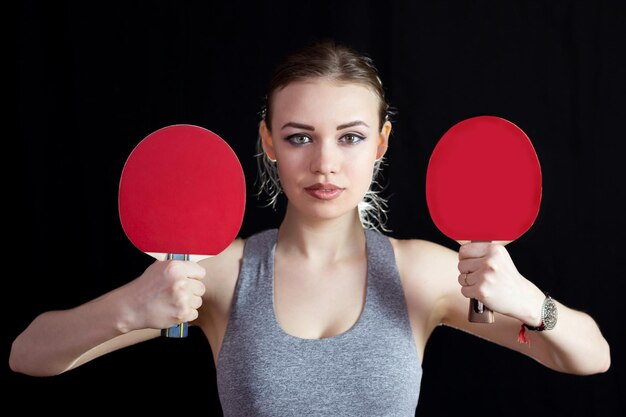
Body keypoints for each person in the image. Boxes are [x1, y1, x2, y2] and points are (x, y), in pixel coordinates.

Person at [10, 41, 610, 416]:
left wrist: (530, 302)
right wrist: (134, 307)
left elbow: (591, 359)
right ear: (269, 142)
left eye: (350, 137)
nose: (324, 163)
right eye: (300, 137)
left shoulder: (423, 273)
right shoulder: (219, 272)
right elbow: (28, 355)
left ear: (380, 144)